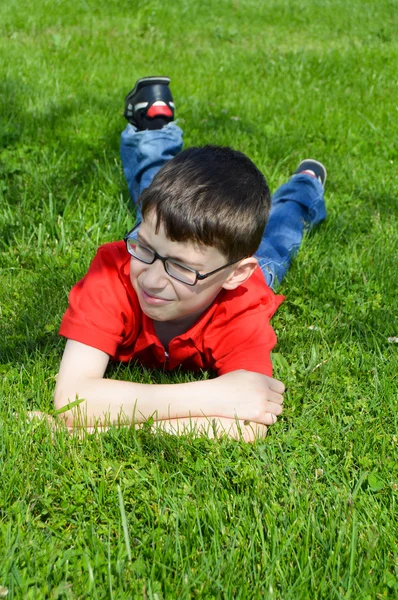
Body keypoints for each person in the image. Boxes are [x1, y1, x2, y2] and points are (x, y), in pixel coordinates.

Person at [55, 77, 327, 441]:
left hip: (245, 270)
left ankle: (303, 188)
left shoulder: (241, 302)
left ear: (235, 274)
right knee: (160, 194)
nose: (151, 279)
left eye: (182, 268)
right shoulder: (114, 270)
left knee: (277, 244)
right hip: (182, 240)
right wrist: (214, 395)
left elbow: (249, 427)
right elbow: (73, 401)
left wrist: (86, 429)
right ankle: (153, 129)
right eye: (145, 249)